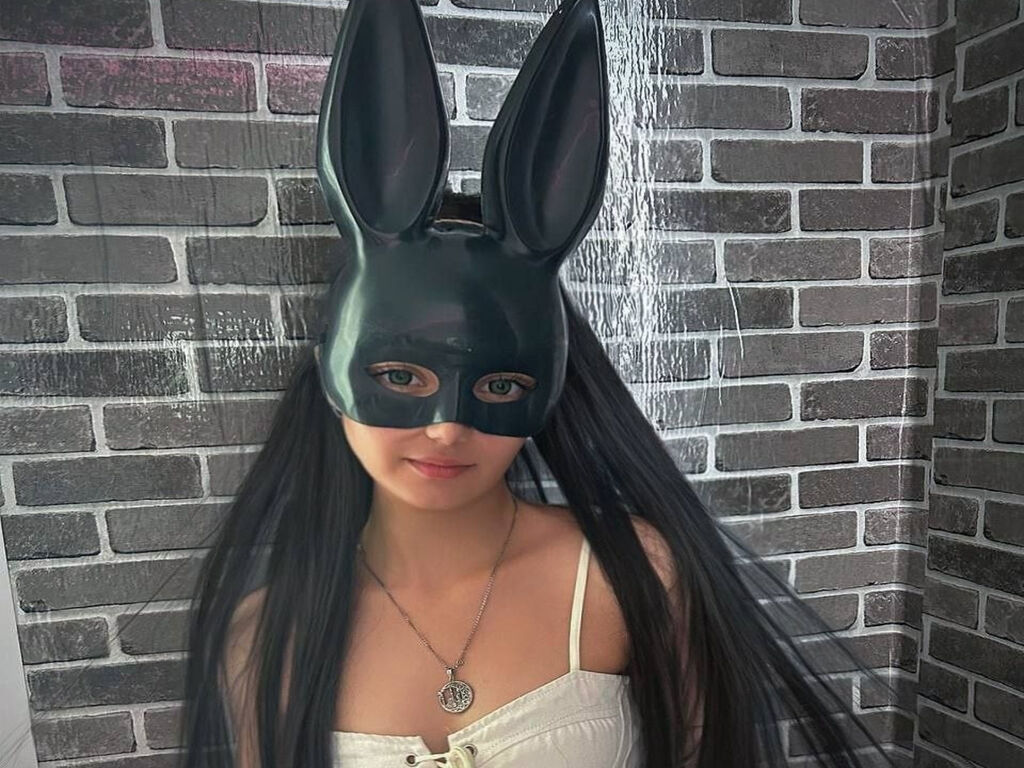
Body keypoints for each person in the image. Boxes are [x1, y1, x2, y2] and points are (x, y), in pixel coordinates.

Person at [176, 1, 898, 767]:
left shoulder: (631, 572)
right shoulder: (265, 637)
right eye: (399, 375)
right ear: (332, 367)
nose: (446, 426)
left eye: (497, 386)